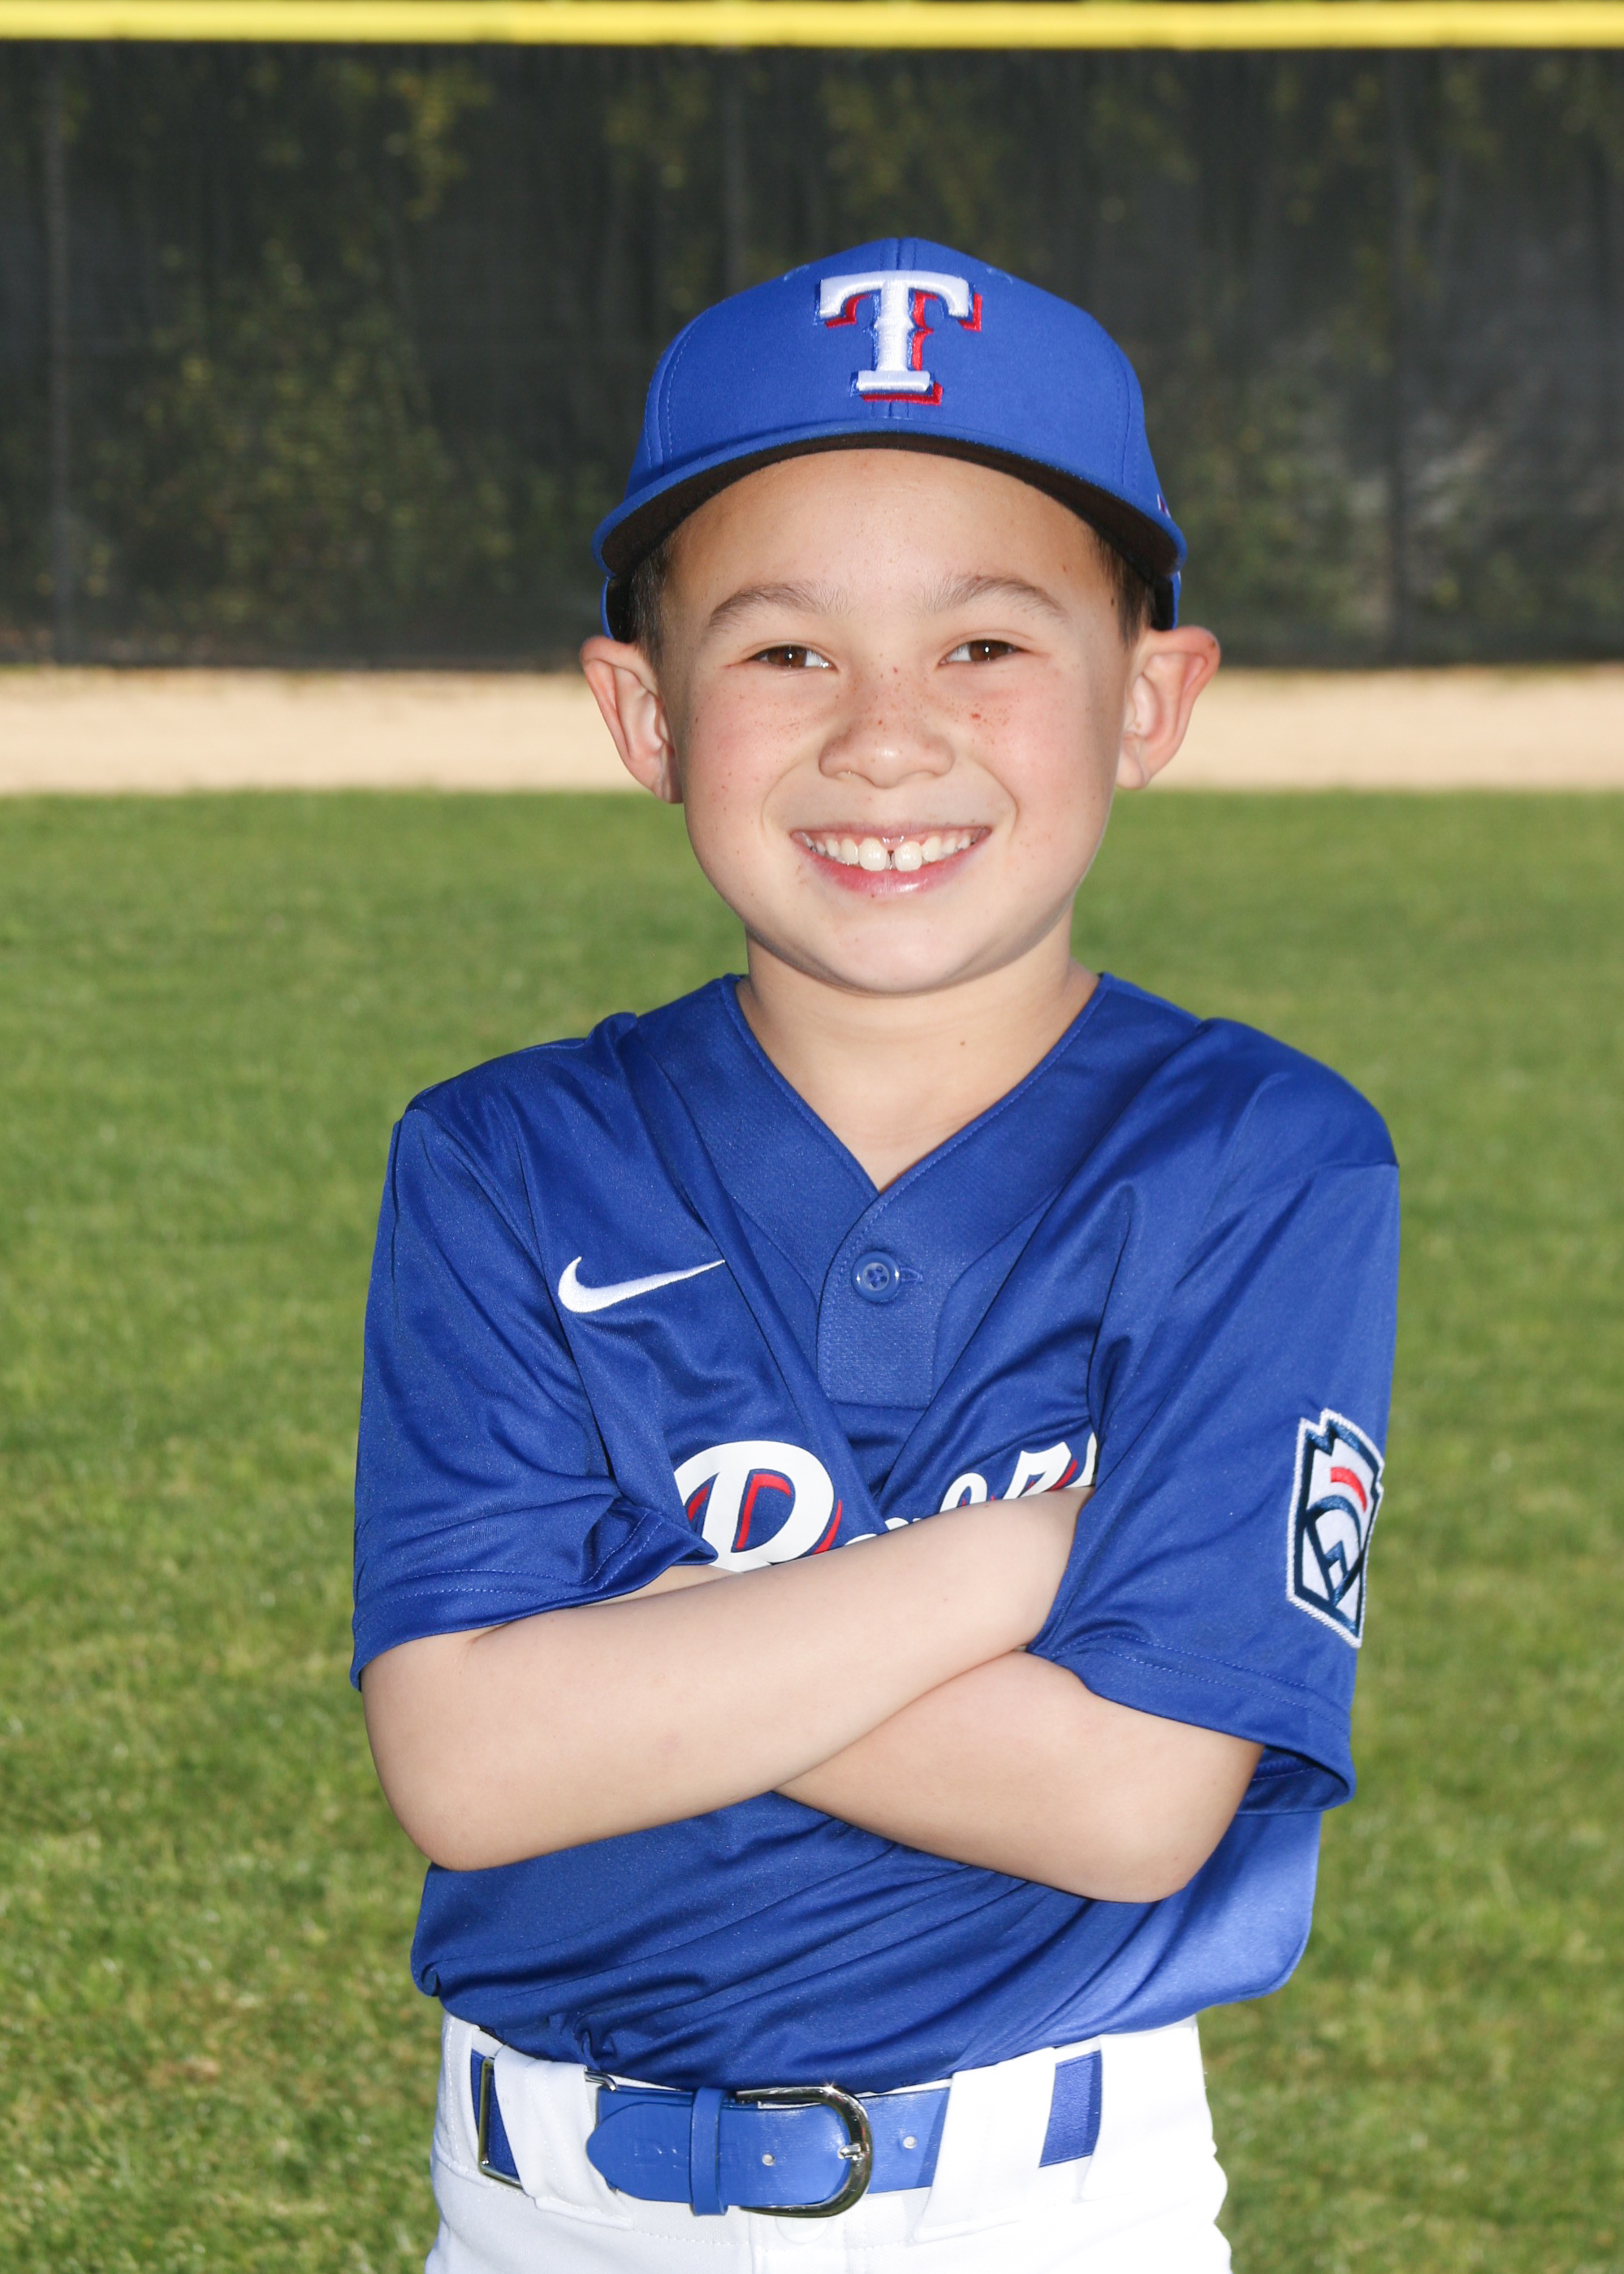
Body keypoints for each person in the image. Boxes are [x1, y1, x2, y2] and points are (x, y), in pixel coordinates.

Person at [352, 238, 1399, 2274]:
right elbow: (469, 1764)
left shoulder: (1262, 1155)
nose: (889, 737)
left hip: (1044, 2208)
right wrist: (1025, 1558)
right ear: (643, 710)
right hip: (543, 2209)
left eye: (985, 643)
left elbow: (1128, 1798)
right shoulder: (503, 1154)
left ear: (1150, 696)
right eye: (785, 654)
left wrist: (641, 1628)